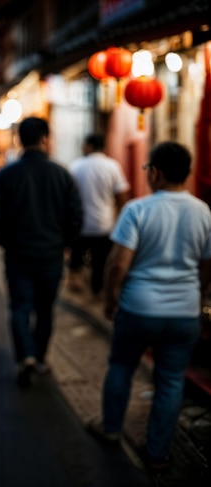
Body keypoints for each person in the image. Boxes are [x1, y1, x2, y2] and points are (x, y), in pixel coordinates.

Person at [87, 142, 211, 472]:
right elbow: (207, 265)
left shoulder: (138, 210)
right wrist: (198, 298)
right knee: (171, 381)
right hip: (183, 311)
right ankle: (158, 453)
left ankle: (111, 428)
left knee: (122, 367)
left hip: (139, 308)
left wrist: (111, 299)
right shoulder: (203, 211)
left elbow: (118, 264)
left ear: (155, 172)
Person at [0, 117, 83, 387]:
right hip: (51, 255)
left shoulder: (7, 175)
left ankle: (24, 356)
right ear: (45, 139)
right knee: (45, 308)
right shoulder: (61, 174)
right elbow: (76, 217)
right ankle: (40, 358)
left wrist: (7, 242)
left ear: (19, 140)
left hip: (18, 255)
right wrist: (65, 244)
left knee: (19, 306)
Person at [68, 134, 130, 297]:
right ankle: (97, 291)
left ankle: (79, 289)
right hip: (104, 225)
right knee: (100, 262)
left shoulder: (75, 166)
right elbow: (122, 197)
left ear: (89, 146)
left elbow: (68, 197)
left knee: (77, 260)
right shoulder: (112, 166)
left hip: (80, 226)